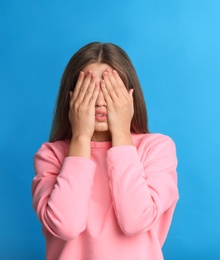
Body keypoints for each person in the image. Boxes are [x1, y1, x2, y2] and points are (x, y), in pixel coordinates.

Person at [32, 42, 179, 260]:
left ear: (130, 97)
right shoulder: (51, 155)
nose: (100, 101)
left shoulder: (156, 148)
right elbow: (66, 226)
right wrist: (81, 136)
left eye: (110, 90)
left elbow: (135, 221)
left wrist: (121, 132)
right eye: (89, 90)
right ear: (72, 98)